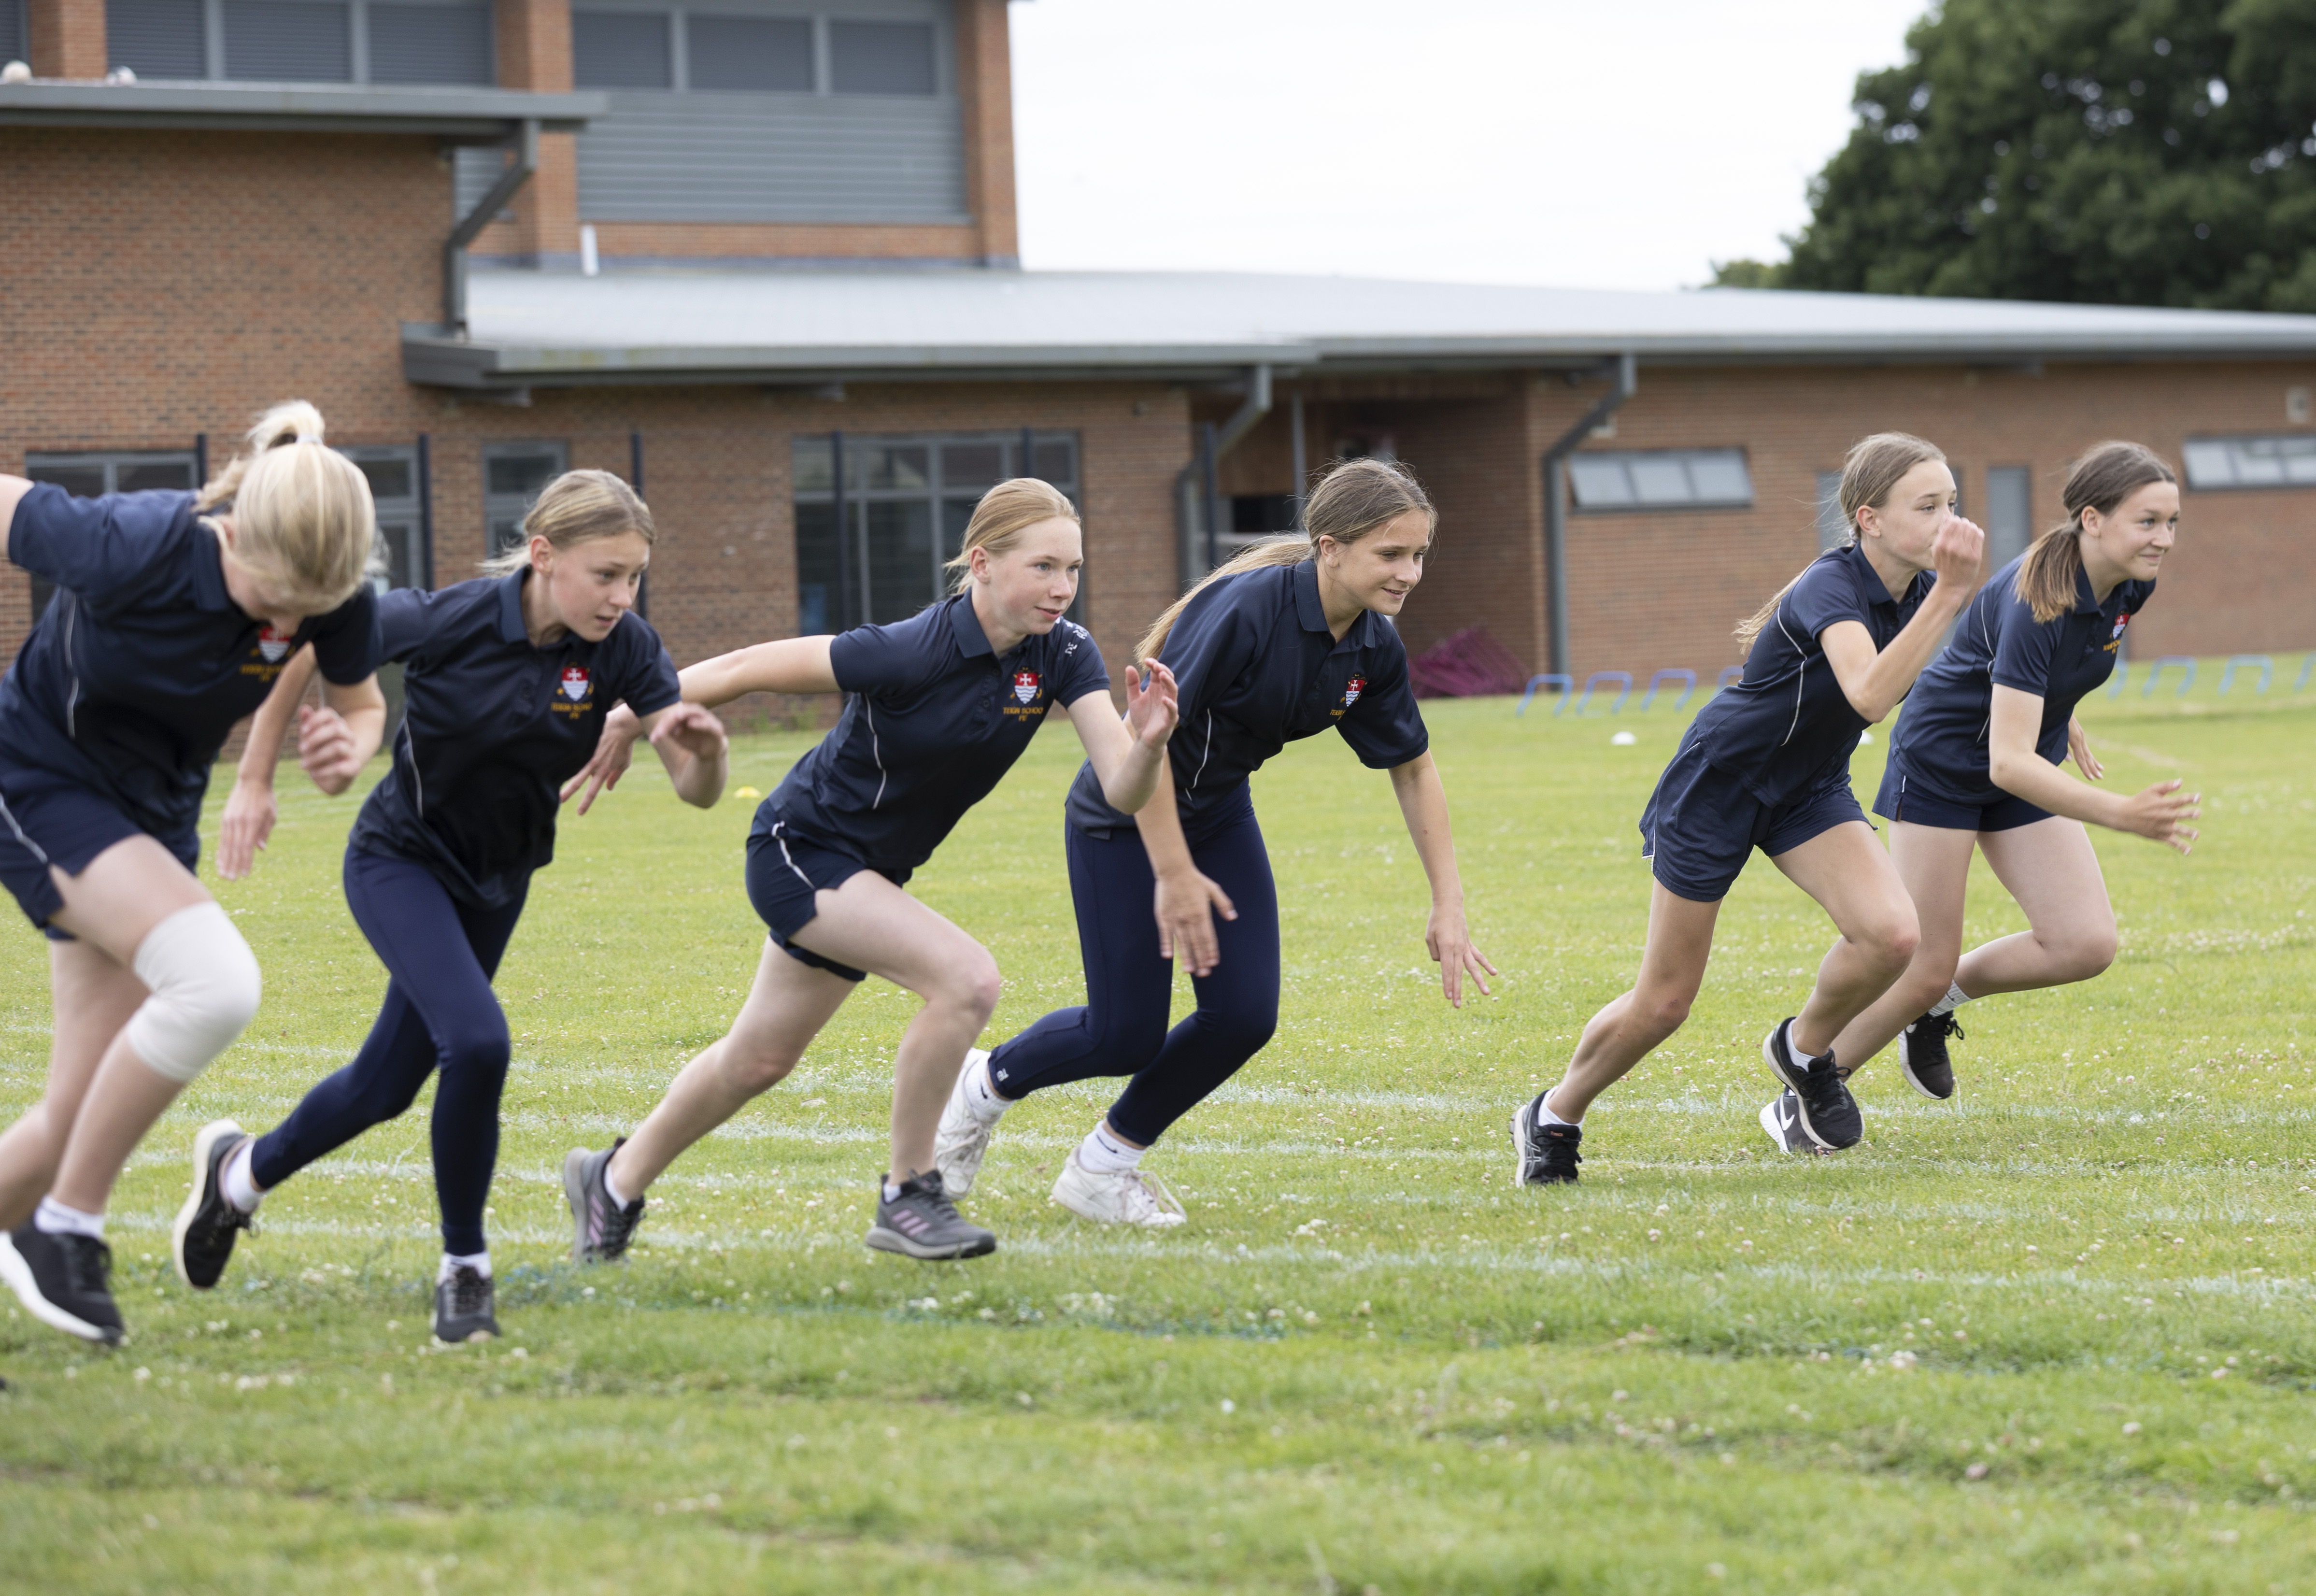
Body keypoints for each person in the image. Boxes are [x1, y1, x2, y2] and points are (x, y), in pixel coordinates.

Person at [167, 470, 727, 1343]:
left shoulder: (624, 648)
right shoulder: (451, 618)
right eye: (605, 574)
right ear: (543, 556)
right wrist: (254, 774)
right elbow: (317, 637)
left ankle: (238, 1177)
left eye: (634, 578)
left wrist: (707, 755)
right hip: (398, 861)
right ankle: (465, 1270)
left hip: (497, 882)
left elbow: (694, 789)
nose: (622, 597)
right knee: (477, 1041)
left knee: (385, 1086)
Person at [559, 477, 1179, 1265]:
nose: (1062, 588)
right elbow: (750, 665)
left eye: (1074, 569)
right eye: (1044, 567)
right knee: (966, 980)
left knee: (757, 1059)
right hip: (801, 849)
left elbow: (1122, 787)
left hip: (869, 875)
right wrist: (627, 713)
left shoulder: (1064, 654)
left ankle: (609, 1182)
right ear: (982, 564)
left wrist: (1150, 741)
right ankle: (909, 1195)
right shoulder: (909, 649)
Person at [934, 458, 1495, 1226]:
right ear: (1329, 549)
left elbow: (1412, 766)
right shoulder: (1247, 609)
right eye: (1391, 555)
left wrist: (1449, 903)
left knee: (1242, 1017)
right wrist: (1172, 870)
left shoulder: (1373, 648)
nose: (1410, 574)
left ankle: (1103, 1167)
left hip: (1220, 814)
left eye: (1419, 554)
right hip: (1125, 816)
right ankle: (979, 1087)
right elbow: (1145, 744)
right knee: (1122, 1033)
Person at [0, 402, 385, 1345]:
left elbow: (363, 703)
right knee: (216, 981)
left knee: (71, 1116)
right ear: (235, 529)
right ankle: (67, 1230)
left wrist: (348, 749)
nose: (290, 621)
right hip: (40, 777)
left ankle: (51, 1206)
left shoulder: (331, 596)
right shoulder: (133, 542)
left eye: (312, 608)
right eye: (276, 596)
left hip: (152, 818)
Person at [1512, 433, 1986, 1184]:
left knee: (1893, 937)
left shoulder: (1920, 594)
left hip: (1810, 787)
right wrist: (1956, 597)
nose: (1948, 522)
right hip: (1721, 785)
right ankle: (1553, 1116)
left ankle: (1803, 1051)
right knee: (1664, 1004)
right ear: (1868, 519)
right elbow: (1868, 691)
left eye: (1952, 504)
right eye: (1927, 506)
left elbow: (1945, 675)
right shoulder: (1831, 587)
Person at [1777, 441, 2194, 1111]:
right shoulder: (2039, 597)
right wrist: (2120, 811)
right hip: (1944, 767)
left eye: (2171, 522)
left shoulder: (2129, 583)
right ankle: (1809, 1093)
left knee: (2084, 943)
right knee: (1919, 967)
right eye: (2148, 522)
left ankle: (1937, 1004)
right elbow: (2008, 759)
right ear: (2092, 520)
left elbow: (2049, 669)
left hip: (2019, 761)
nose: (2164, 539)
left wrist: (2065, 713)